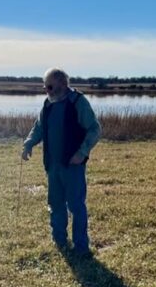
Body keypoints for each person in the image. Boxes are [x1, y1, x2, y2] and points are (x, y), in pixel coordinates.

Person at [22, 68, 101, 255]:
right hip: (53, 165)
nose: (47, 91)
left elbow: (94, 129)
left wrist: (82, 152)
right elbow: (39, 127)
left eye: (50, 87)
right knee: (56, 203)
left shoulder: (78, 102)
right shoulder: (48, 104)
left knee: (75, 205)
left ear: (63, 85)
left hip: (73, 165)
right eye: (45, 87)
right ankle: (59, 241)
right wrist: (29, 143)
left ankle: (81, 247)